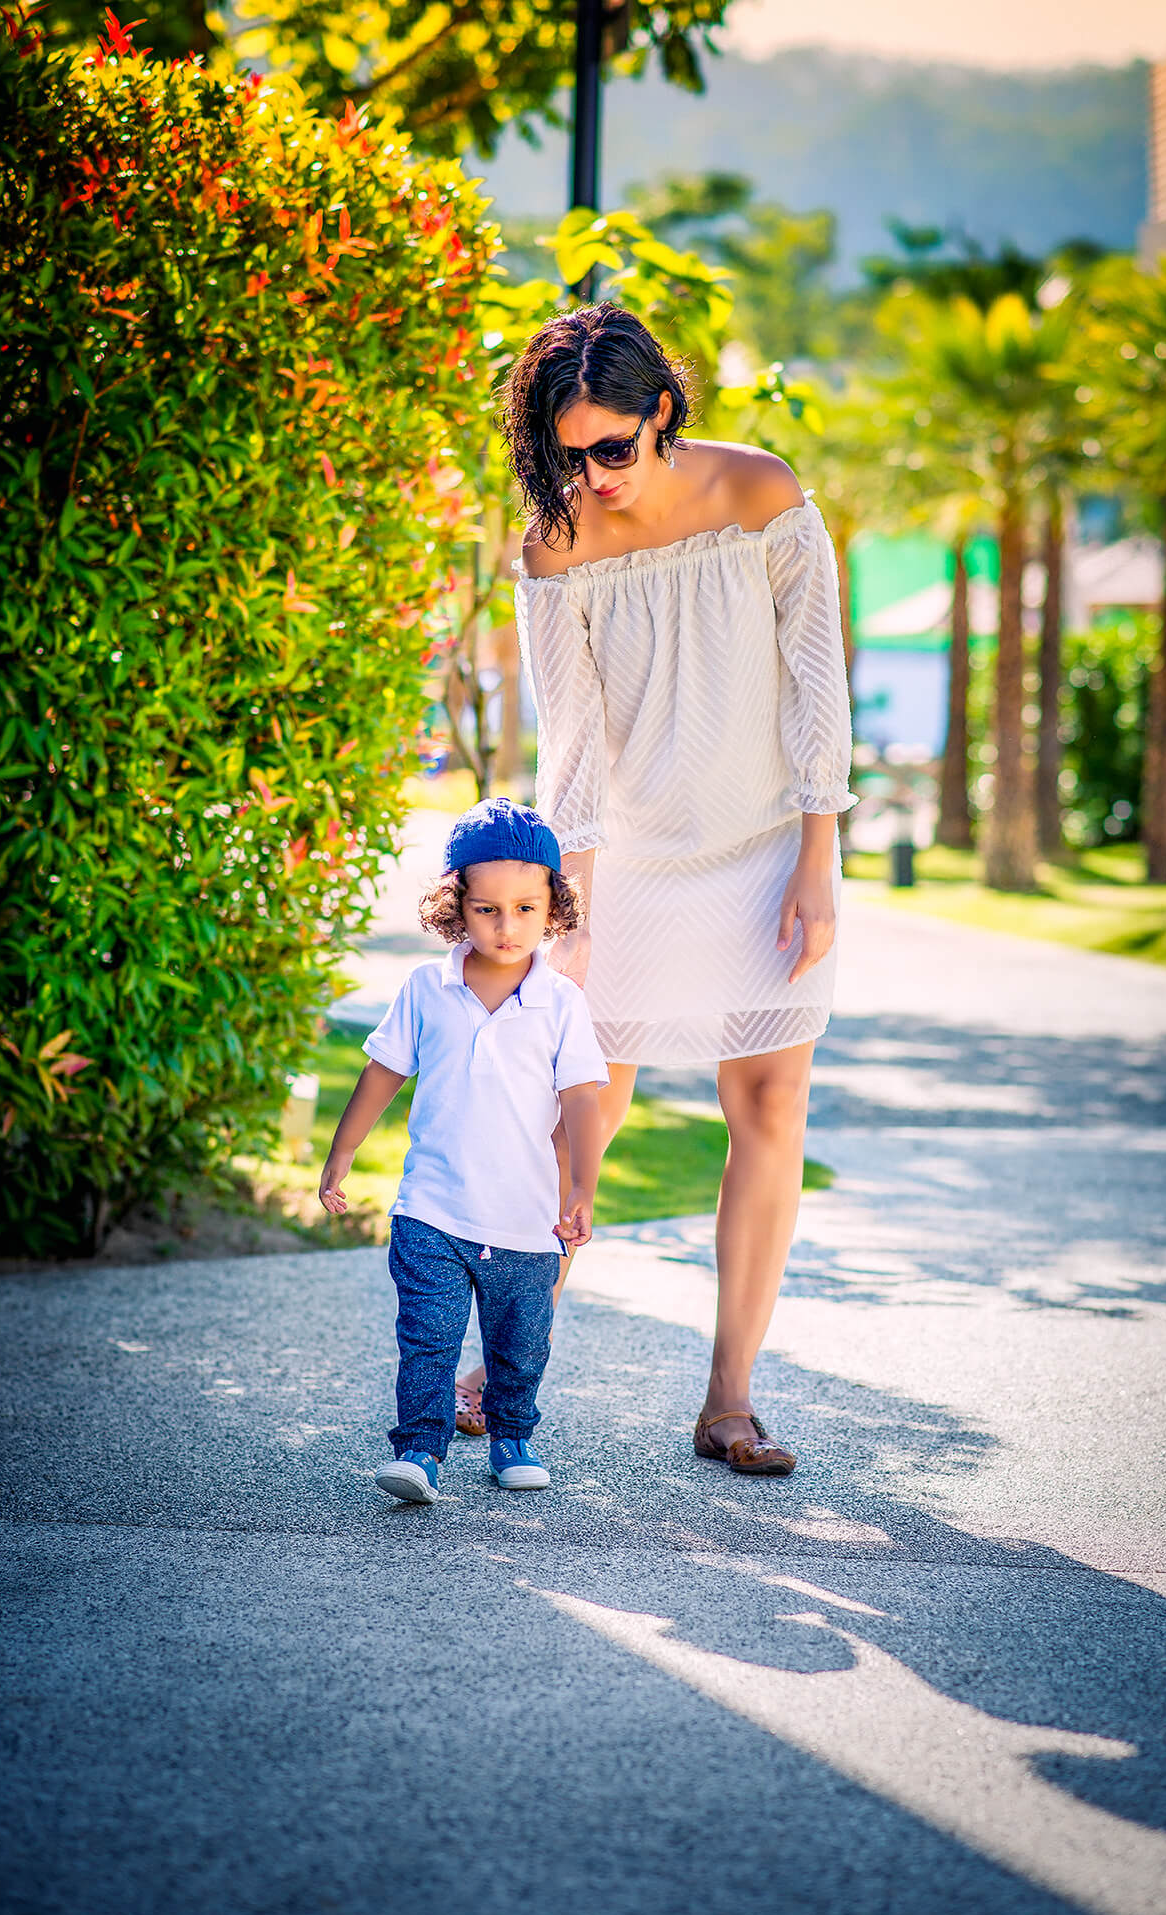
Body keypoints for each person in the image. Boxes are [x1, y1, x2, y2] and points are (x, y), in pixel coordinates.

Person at [460, 300, 855, 1477]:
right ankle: (502, 1365)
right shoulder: (555, 544)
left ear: (663, 411)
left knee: (770, 1107)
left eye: (612, 449)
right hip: (626, 859)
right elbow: (571, 749)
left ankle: (728, 1399)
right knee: (583, 1112)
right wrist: (564, 918)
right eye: (566, 452)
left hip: (765, 852)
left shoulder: (764, 496)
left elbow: (813, 686)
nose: (592, 474)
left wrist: (816, 857)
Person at [318, 798, 608, 1503]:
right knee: (428, 1340)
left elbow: (583, 1102)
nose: (507, 927)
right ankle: (419, 1451)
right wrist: (341, 1155)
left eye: (525, 909)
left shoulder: (562, 1004)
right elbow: (382, 1073)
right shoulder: (427, 988)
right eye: (486, 910)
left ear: (553, 908)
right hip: (432, 1212)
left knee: (520, 1348)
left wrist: (581, 1190)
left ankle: (512, 1438)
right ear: (456, 906)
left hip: (525, 1222)